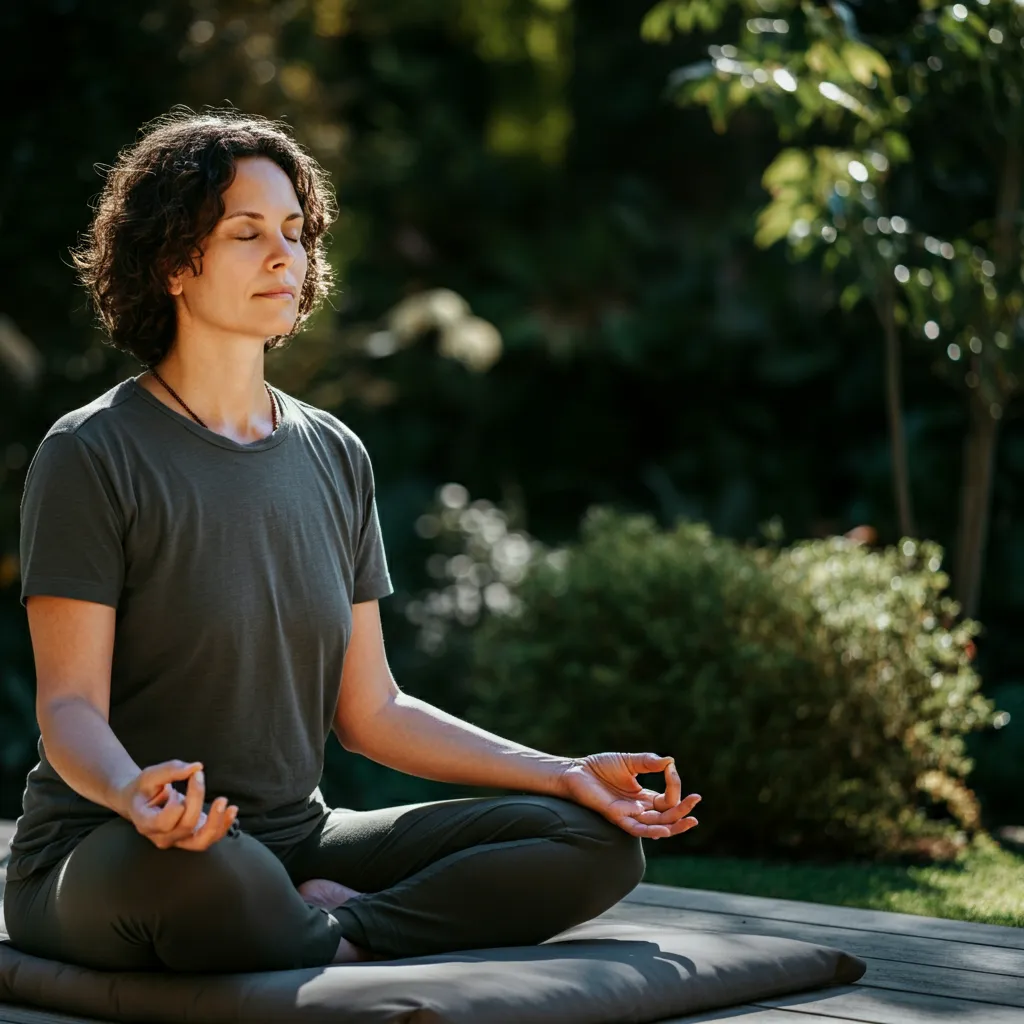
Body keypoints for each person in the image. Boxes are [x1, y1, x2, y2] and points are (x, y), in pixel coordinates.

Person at [0, 106, 701, 974]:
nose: (283, 257)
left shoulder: (333, 453)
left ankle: (344, 928)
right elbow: (69, 709)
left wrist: (561, 771)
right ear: (174, 262)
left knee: (592, 840)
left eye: (295, 233)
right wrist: (131, 795)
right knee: (215, 877)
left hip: (300, 840)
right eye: (248, 232)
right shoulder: (92, 452)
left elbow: (372, 711)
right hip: (117, 848)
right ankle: (321, 920)